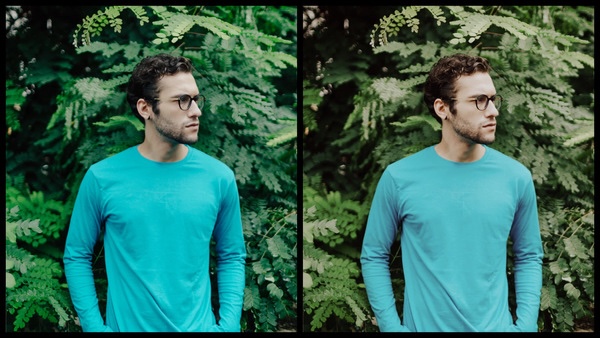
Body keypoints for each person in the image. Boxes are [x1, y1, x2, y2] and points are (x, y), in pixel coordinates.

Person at [63, 53, 247, 332]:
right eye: (182, 101)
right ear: (145, 108)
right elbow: (77, 254)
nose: (196, 110)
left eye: (196, 99)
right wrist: (94, 327)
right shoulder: (102, 178)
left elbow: (232, 255)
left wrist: (229, 326)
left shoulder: (218, 178)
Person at [360, 53, 543, 332]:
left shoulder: (516, 178)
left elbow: (529, 255)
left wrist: (526, 326)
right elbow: (373, 254)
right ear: (442, 108)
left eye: (493, 99)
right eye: (478, 101)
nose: (492, 110)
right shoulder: (399, 178)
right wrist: (391, 327)